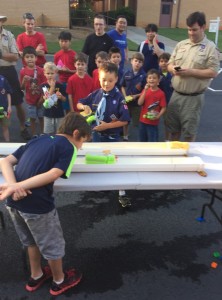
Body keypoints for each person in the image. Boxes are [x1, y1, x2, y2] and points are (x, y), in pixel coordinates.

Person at [0, 112, 91, 296]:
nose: (80, 147)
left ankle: (36, 275)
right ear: (75, 133)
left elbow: (5, 161)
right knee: (52, 244)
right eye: (82, 141)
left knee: (31, 241)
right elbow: (54, 173)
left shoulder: (38, 138)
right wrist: (16, 186)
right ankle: (59, 280)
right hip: (38, 206)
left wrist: (13, 186)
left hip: (13, 203)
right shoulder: (69, 147)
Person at [77, 63, 131, 208]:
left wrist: (107, 126)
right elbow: (79, 103)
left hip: (112, 137)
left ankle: (121, 192)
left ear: (116, 79)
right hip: (97, 136)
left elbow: (125, 120)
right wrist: (84, 107)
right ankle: (101, 184)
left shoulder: (119, 98)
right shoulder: (96, 94)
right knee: (99, 158)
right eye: (103, 79)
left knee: (116, 161)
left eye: (110, 80)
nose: (106, 83)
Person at [166, 11, 220, 142]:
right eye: (189, 29)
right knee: (172, 131)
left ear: (203, 27)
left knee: (189, 133)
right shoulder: (181, 44)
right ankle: (174, 159)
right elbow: (169, 64)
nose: (191, 33)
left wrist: (190, 72)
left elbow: (213, 72)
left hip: (193, 98)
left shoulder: (210, 48)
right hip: (176, 95)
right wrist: (172, 68)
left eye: (194, 29)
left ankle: (187, 160)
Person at [0, 15, 31, 140]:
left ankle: (23, 127)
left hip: (8, 71)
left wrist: (1, 54)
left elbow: (15, 56)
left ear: (2, 22)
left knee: (18, 101)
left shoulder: (9, 36)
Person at [20, 46, 46, 138]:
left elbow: (45, 86)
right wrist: (24, 80)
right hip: (30, 100)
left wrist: (42, 98)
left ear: (36, 58)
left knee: (41, 116)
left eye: (32, 57)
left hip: (40, 99)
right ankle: (34, 134)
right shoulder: (23, 72)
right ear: (24, 59)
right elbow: (22, 88)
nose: (30, 59)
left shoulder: (41, 70)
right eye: (27, 57)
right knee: (32, 118)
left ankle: (43, 133)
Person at [120, 52, 147, 141]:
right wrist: (124, 96)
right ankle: (125, 136)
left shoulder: (144, 76)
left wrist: (136, 96)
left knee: (137, 122)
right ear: (131, 61)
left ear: (142, 64)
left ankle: (136, 138)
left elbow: (145, 90)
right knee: (125, 119)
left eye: (140, 62)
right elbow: (122, 86)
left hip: (137, 103)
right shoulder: (126, 73)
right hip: (126, 102)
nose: (137, 63)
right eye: (136, 61)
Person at [138, 69, 166, 142]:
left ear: (158, 80)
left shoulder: (161, 93)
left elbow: (163, 107)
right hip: (143, 121)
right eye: (150, 78)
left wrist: (158, 116)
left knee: (152, 142)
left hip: (153, 123)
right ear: (147, 80)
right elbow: (139, 103)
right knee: (142, 141)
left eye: (154, 78)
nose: (152, 80)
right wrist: (145, 91)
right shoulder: (145, 90)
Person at [54, 31, 76, 114]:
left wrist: (69, 71)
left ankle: (69, 120)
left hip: (71, 83)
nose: (63, 43)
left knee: (69, 105)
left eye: (66, 41)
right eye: (62, 41)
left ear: (70, 42)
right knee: (60, 103)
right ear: (59, 41)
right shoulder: (57, 55)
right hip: (61, 82)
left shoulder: (74, 55)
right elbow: (56, 70)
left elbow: (78, 71)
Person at [42, 62, 66, 134]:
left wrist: (61, 97)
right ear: (44, 73)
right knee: (48, 133)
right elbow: (47, 99)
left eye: (52, 73)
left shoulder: (60, 85)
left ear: (56, 73)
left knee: (60, 132)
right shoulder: (44, 86)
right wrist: (52, 87)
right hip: (48, 114)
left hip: (59, 113)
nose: (50, 75)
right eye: (48, 73)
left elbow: (65, 99)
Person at [158, 52, 174, 141]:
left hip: (168, 101)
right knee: (153, 119)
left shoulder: (173, 74)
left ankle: (167, 139)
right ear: (158, 63)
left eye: (166, 61)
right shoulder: (156, 74)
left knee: (167, 121)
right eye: (161, 61)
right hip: (157, 102)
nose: (164, 63)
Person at [0, 74, 12, 141]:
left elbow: (8, 93)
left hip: (4, 109)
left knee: (5, 127)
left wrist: (9, 106)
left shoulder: (3, 79)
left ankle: (8, 144)